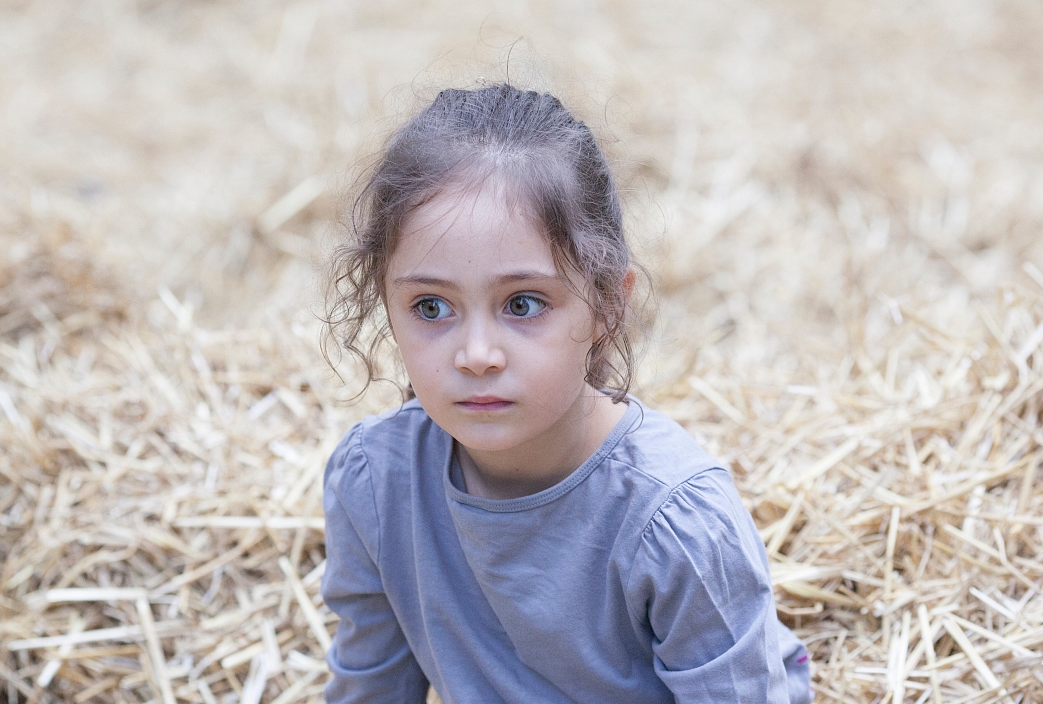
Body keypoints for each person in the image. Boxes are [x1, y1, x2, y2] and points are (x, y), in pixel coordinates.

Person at [320, 84, 812, 703]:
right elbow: (370, 691)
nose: (476, 355)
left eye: (523, 304)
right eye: (432, 306)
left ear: (607, 302)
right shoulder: (377, 482)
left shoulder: (676, 521)